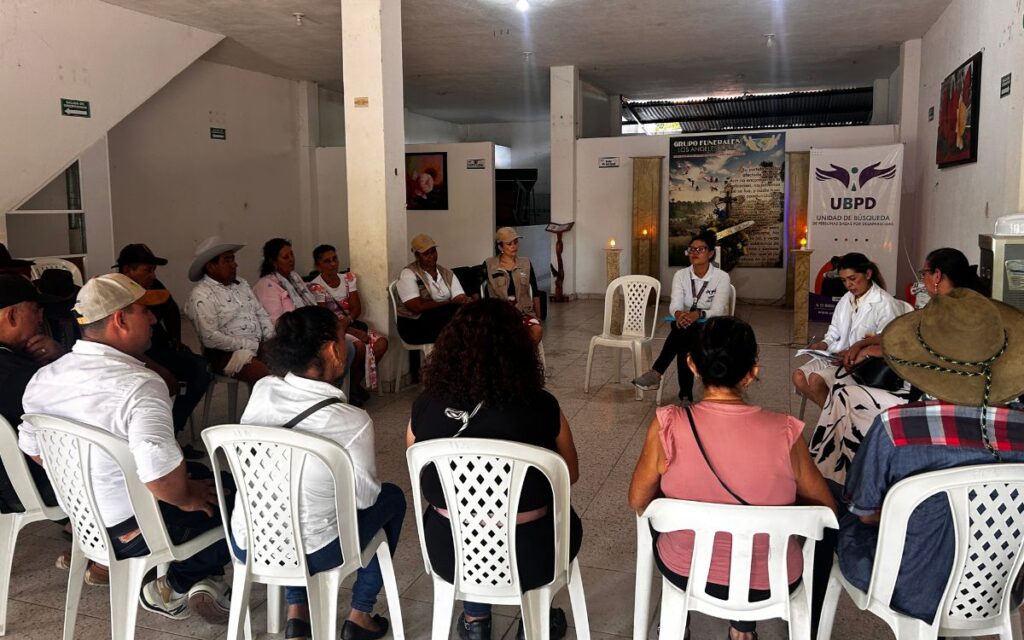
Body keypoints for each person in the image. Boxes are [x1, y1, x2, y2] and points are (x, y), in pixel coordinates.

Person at [18, 274, 232, 622]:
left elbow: (33, 447)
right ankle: (173, 586)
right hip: (133, 529)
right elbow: (161, 479)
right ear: (120, 319)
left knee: (204, 476)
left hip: (86, 521)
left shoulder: (45, 377)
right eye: (144, 311)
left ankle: (197, 579)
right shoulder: (140, 386)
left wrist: (88, 488)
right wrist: (187, 498)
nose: (152, 319)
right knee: (240, 502)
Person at [629, 316, 836, 640]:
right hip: (772, 577)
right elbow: (826, 511)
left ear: (692, 366)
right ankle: (743, 628)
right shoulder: (785, 432)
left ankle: (676, 620)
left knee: (661, 509)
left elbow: (638, 500)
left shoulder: (667, 424)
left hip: (686, 571)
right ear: (752, 372)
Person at [836, 288, 1024, 624]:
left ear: (923, 363)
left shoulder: (896, 428)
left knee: (838, 505)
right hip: (1002, 587)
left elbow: (865, 513)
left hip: (906, 586)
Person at [407, 298, 582, 640]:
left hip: (451, 552)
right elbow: (568, 474)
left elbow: (417, 466)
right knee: (556, 514)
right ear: (519, 349)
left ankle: (475, 620)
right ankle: (536, 618)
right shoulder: (541, 405)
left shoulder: (425, 404)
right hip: (532, 554)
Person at [230, 306, 404, 640]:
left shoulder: (263, 389)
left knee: (289, 502)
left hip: (248, 542)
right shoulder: (350, 421)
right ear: (331, 350)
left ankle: (298, 614)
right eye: (342, 341)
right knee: (392, 498)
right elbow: (364, 498)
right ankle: (360, 615)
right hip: (316, 551)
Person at [116, 244, 212, 446]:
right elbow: (123, 349)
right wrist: (156, 368)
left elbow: (171, 310)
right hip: (134, 360)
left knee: (202, 368)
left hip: (158, 349)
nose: (152, 275)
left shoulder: (153, 286)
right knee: (164, 380)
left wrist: (176, 340)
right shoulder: (115, 294)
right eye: (147, 270)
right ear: (127, 271)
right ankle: (160, 437)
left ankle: (173, 429)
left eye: (153, 271)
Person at [792, 252, 903, 409]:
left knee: (816, 380)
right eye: (844, 281)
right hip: (837, 356)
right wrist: (823, 344)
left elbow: (887, 341)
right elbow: (835, 330)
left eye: (852, 279)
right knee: (798, 377)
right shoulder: (846, 299)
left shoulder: (885, 303)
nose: (849, 285)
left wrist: (855, 350)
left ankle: (834, 422)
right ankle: (837, 419)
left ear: (868, 274)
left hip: (862, 364)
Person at [632, 231, 732, 403]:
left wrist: (698, 314)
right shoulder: (681, 275)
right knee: (685, 335)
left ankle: (659, 373)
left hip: (712, 326)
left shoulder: (721, 277)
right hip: (685, 324)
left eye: (700, 249)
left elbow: (719, 309)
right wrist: (679, 314)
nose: (694, 253)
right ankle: (684, 394)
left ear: (710, 253)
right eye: (691, 249)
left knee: (683, 336)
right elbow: (675, 304)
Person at [185, 236, 274, 386]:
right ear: (210, 266)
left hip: (259, 345)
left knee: (292, 365)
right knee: (265, 377)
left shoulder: (242, 284)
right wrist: (254, 346)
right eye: (227, 260)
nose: (234, 264)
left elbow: (260, 313)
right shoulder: (201, 294)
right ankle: (261, 408)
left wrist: (270, 339)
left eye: (233, 259)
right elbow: (210, 338)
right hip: (225, 354)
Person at [308, 244, 389, 397]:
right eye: (327, 261)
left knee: (381, 343)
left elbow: (356, 308)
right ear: (318, 265)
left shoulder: (348, 279)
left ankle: (355, 384)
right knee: (358, 347)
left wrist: (349, 320)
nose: (333, 264)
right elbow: (326, 318)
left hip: (350, 324)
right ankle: (349, 389)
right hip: (333, 330)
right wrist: (349, 329)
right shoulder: (316, 286)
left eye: (334, 259)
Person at [396, 234, 474, 379]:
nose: (431, 256)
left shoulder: (446, 272)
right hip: (414, 324)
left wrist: (466, 300)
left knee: (466, 314)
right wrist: (449, 303)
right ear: (417, 256)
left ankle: (459, 371)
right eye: (426, 253)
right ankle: (452, 373)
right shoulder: (408, 274)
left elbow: (458, 296)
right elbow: (416, 307)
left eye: (433, 251)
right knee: (456, 317)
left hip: (441, 320)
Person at [483, 227, 543, 345]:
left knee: (537, 330)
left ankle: (525, 359)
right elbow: (478, 290)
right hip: (499, 315)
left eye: (515, 242)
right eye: (509, 244)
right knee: (504, 335)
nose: (514, 246)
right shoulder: (489, 264)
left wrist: (538, 317)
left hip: (523, 312)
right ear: (500, 247)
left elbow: (535, 292)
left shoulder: (525, 263)